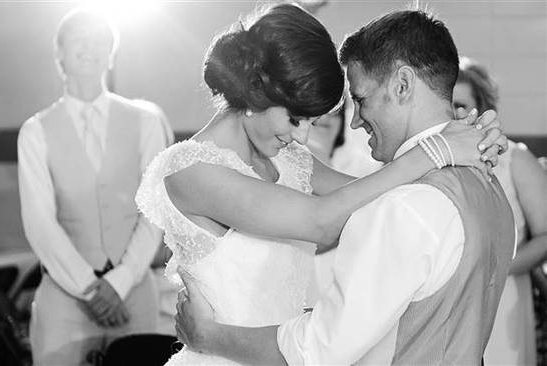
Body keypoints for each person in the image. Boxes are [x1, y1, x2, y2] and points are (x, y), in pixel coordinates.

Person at [135, 4, 508, 365]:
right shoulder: (192, 171)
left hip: (287, 352)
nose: (303, 136)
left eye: (313, 120)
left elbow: (374, 202)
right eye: (297, 118)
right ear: (252, 94)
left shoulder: (289, 159)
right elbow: (321, 220)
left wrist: (467, 139)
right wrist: (435, 150)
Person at [17, 9, 169, 365]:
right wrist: (89, 288)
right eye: (78, 39)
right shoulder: (35, 131)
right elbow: (40, 223)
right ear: (59, 52)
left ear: (112, 53)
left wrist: (119, 282)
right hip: (64, 298)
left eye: (99, 39)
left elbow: (155, 208)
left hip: (134, 291)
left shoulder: (145, 122)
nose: (89, 47)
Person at [453, 56, 547, 365]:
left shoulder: (516, 161)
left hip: (504, 292)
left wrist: (502, 270)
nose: (455, 113)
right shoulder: (432, 160)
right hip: (450, 297)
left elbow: (546, 236)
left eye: (462, 104)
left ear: (483, 107)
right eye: (448, 103)